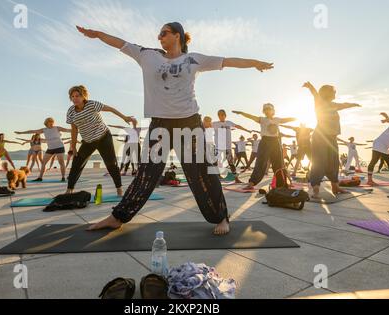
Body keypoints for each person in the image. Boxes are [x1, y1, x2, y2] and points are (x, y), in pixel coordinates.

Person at [77, 22, 273, 234]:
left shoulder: (194, 59)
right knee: (146, 174)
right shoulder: (147, 55)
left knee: (203, 173)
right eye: (159, 33)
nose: (159, 36)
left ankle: (221, 218)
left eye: (164, 33)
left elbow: (227, 61)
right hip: (160, 124)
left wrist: (255, 63)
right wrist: (97, 34)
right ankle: (118, 217)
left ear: (177, 36)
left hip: (189, 123)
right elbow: (119, 43)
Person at [66, 85, 136, 196]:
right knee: (76, 164)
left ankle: (119, 188)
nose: (75, 98)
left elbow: (111, 109)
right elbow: (74, 129)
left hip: (104, 138)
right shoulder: (71, 112)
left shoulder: (92, 104)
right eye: (73, 96)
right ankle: (69, 190)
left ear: (83, 96)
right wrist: (73, 146)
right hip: (88, 141)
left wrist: (124, 117)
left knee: (111, 164)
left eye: (78, 96)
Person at [302, 82, 361, 198]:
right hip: (320, 137)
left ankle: (335, 186)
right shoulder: (320, 102)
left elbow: (344, 104)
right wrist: (310, 86)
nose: (335, 93)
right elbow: (315, 94)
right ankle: (315, 188)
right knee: (319, 162)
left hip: (332, 137)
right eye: (333, 92)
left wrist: (353, 104)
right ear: (328, 93)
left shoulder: (333, 105)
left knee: (334, 162)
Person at [233, 104, 296, 190]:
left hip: (275, 142)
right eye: (265, 109)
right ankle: (252, 183)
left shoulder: (277, 119)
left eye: (269, 109)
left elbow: (286, 120)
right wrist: (242, 113)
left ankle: (282, 184)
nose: (267, 110)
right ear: (264, 111)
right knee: (260, 162)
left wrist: (295, 118)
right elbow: (251, 117)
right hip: (265, 141)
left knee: (279, 163)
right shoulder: (262, 119)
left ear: (273, 110)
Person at [212, 109, 252, 183]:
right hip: (219, 147)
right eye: (219, 115)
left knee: (231, 163)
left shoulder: (228, 122)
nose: (221, 116)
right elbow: (204, 125)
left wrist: (247, 130)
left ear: (225, 115)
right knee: (216, 162)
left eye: (222, 114)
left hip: (228, 147)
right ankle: (217, 177)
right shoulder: (215, 124)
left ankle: (236, 179)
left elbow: (238, 126)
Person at [366, 114, 389, 185]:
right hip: (379, 144)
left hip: (384, 147)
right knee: (374, 161)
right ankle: (369, 181)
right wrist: (386, 118)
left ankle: (369, 181)